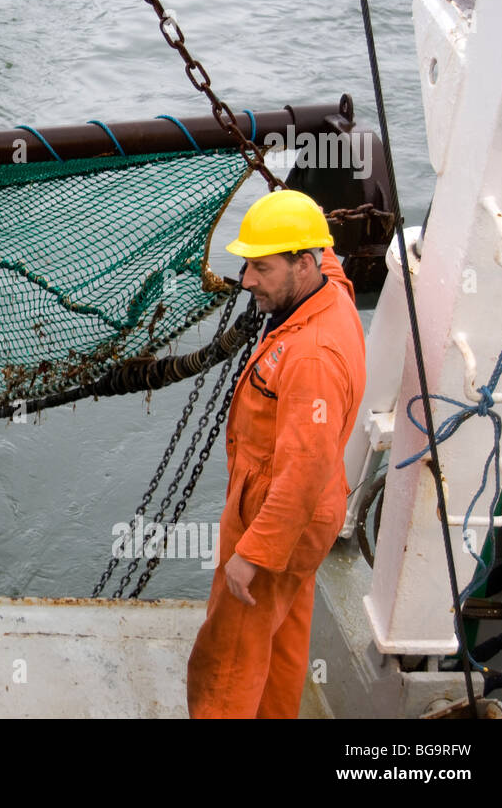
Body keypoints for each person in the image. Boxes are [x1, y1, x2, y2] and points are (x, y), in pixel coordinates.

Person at [186, 189, 366, 718]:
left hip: (274, 523)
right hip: (307, 526)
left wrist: (252, 556)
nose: (246, 282)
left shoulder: (311, 357)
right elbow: (327, 252)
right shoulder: (330, 289)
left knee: (228, 661)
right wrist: (291, 205)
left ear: (302, 265)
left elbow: (304, 472)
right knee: (283, 644)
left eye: (260, 268)